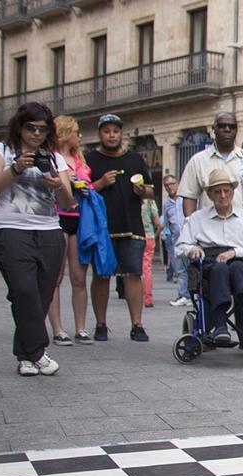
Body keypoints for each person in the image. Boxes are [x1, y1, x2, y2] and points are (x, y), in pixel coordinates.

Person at [0, 101, 75, 376]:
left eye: (42, 130)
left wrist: (58, 184)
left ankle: (25, 356)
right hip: (9, 230)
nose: (36, 134)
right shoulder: (0, 151)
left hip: (49, 231)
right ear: (19, 127)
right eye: (30, 127)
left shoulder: (54, 158)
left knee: (41, 296)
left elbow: (68, 203)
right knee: (23, 290)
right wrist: (16, 169)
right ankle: (38, 351)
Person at [176, 169, 243, 344]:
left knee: (238, 267)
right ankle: (220, 326)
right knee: (220, 269)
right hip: (210, 263)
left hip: (239, 261)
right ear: (210, 195)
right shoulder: (198, 218)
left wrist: (235, 252)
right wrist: (192, 249)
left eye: (227, 190)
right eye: (217, 191)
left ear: (233, 192)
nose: (223, 195)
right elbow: (180, 246)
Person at [86, 113, 154, 342]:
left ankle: (137, 325)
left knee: (133, 274)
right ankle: (100, 324)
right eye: (107, 131)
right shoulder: (90, 160)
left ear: (121, 133)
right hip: (102, 229)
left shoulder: (135, 159)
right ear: (100, 134)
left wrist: (143, 191)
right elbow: (81, 190)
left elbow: (151, 190)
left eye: (115, 131)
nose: (111, 135)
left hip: (131, 227)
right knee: (101, 276)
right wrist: (100, 183)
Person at [45, 116, 94, 345]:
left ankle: (81, 327)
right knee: (55, 277)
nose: (80, 135)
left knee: (79, 277)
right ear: (65, 133)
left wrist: (86, 187)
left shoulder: (80, 159)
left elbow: (90, 186)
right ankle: (57, 328)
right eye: (76, 131)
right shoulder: (50, 158)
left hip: (80, 218)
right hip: (57, 217)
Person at [178, 112, 243, 219]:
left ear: (236, 130)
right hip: (207, 230)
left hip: (240, 230)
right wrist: (192, 224)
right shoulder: (197, 161)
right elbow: (189, 196)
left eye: (232, 126)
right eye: (222, 126)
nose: (227, 129)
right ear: (214, 129)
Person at [163, 175, 190, 307]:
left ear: (178, 183)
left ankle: (194, 295)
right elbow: (167, 223)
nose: (170, 187)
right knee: (180, 270)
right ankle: (183, 295)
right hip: (176, 240)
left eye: (172, 184)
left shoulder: (185, 199)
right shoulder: (166, 203)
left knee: (193, 268)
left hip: (191, 240)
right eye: (166, 185)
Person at [140, 192, 163, 308]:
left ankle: (135, 295)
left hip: (136, 237)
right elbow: (159, 225)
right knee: (147, 268)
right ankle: (148, 298)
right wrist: (154, 235)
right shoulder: (150, 204)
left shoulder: (135, 203)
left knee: (136, 270)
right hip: (149, 237)